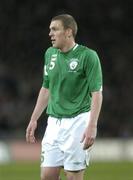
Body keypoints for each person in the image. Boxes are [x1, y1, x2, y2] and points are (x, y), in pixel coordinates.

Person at [26, 14, 103, 180]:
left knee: (73, 177)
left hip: (78, 122)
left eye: (55, 29)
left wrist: (92, 125)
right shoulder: (50, 54)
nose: (50, 34)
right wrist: (34, 119)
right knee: (47, 176)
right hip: (53, 123)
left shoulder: (88, 56)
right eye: (49, 30)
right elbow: (46, 88)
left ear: (68, 32)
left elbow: (96, 93)